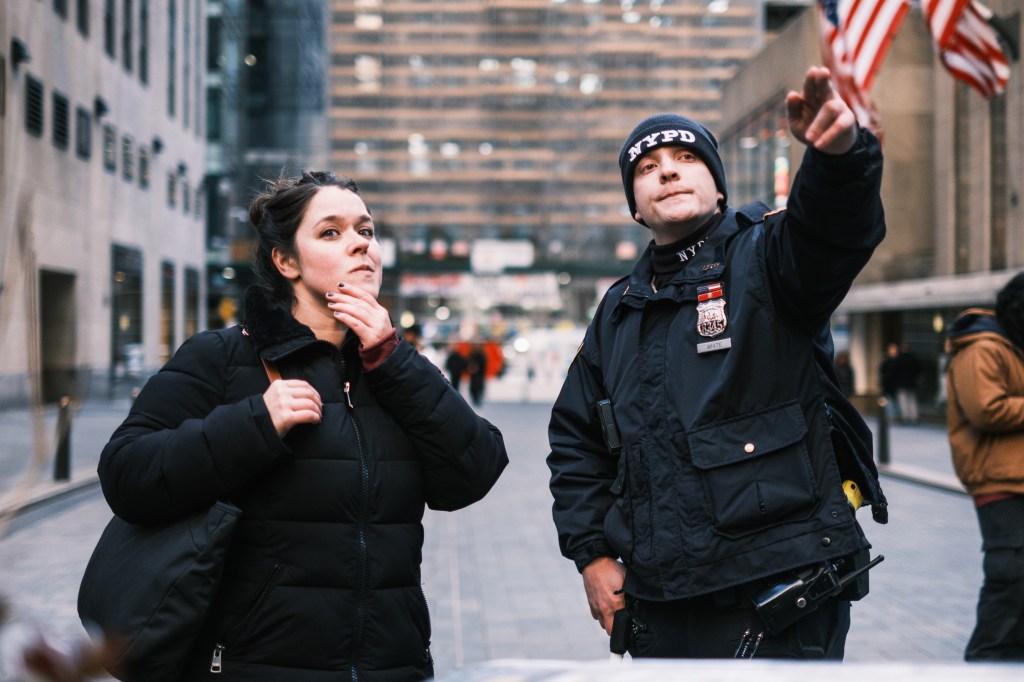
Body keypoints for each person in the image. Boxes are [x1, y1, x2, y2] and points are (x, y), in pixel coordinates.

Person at [97, 171, 508, 680]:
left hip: (391, 666)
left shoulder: (398, 372)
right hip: (258, 666)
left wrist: (392, 357)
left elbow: (474, 472)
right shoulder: (222, 358)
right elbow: (125, 473)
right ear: (285, 261)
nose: (359, 244)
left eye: (366, 230)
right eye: (331, 232)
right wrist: (254, 424)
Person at [547, 66, 888, 660]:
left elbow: (832, 231)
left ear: (719, 186)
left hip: (777, 594)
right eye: (647, 169)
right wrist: (593, 554)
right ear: (635, 206)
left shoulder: (768, 255)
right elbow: (575, 441)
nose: (667, 171)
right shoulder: (617, 310)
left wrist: (839, 161)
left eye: (685, 157)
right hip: (661, 600)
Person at [945, 272, 1024, 661]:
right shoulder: (983, 348)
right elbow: (986, 409)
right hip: (999, 482)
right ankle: (985, 665)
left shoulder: (1011, 347)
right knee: (1010, 579)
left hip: (1016, 480)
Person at [467, 343, 488, 407]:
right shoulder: (472, 354)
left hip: (479, 374)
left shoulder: (481, 355)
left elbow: (484, 364)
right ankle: (475, 399)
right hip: (474, 375)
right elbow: (468, 362)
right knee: (473, 388)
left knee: (479, 387)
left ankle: (477, 399)